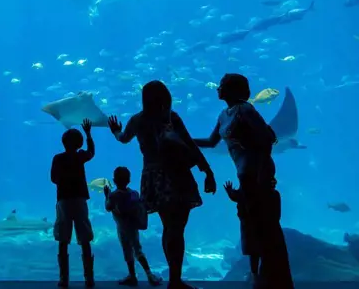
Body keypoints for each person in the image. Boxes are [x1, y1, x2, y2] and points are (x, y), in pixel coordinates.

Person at [107, 80, 216, 289]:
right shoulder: (171, 118)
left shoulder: (137, 120)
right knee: (177, 229)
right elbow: (190, 145)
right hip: (177, 175)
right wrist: (206, 170)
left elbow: (123, 138)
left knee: (170, 228)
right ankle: (175, 280)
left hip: (153, 177)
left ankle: (175, 280)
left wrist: (115, 131)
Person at [194, 73, 293, 289]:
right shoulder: (223, 115)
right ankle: (257, 276)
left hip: (258, 176)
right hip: (245, 178)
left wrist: (262, 175)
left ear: (232, 90)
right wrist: (186, 140)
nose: (217, 89)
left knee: (264, 228)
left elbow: (267, 139)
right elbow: (211, 142)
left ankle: (274, 279)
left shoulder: (246, 110)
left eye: (221, 86)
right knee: (250, 227)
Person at [50, 119, 96, 288]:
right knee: (85, 239)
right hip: (79, 199)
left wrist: (64, 179)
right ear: (79, 143)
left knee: (63, 239)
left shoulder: (58, 158)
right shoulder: (80, 156)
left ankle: (64, 279)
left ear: (63, 143)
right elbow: (91, 152)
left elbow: (53, 178)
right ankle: (89, 278)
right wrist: (89, 134)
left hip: (63, 200)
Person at [103, 167, 162, 287]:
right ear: (129, 180)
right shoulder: (134, 193)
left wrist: (107, 195)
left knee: (127, 251)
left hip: (122, 228)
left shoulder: (114, 196)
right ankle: (149, 274)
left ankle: (133, 276)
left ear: (114, 181)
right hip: (133, 227)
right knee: (138, 250)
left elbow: (108, 207)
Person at [223, 178, 281, 283]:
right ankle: (257, 276)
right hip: (260, 227)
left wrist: (231, 192)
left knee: (255, 253)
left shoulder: (255, 191)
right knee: (257, 253)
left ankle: (255, 276)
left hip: (255, 227)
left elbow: (238, 197)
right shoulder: (272, 194)